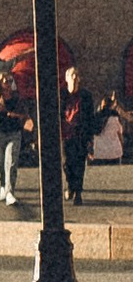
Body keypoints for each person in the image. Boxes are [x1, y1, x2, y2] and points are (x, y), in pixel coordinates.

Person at [0, 56, 29, 206]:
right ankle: (2, 186)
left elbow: (25, 115)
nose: (8, 84)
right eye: (5, 81)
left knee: (11, 162)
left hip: (13, 132)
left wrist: (14, 115)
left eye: (10, 81)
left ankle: (10, 192)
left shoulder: (17, 98)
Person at [60, 64, 92, 208]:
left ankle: (78, 192)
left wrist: (90, 137)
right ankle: (70, 185)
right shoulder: (61, 95)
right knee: (66, 163)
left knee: (79, 164)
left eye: (76, 75)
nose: (74, 78)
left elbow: (89, 116)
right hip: (65, 134)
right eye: (71, 75)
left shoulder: (86, 96)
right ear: (66, 79)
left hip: (80, 135)